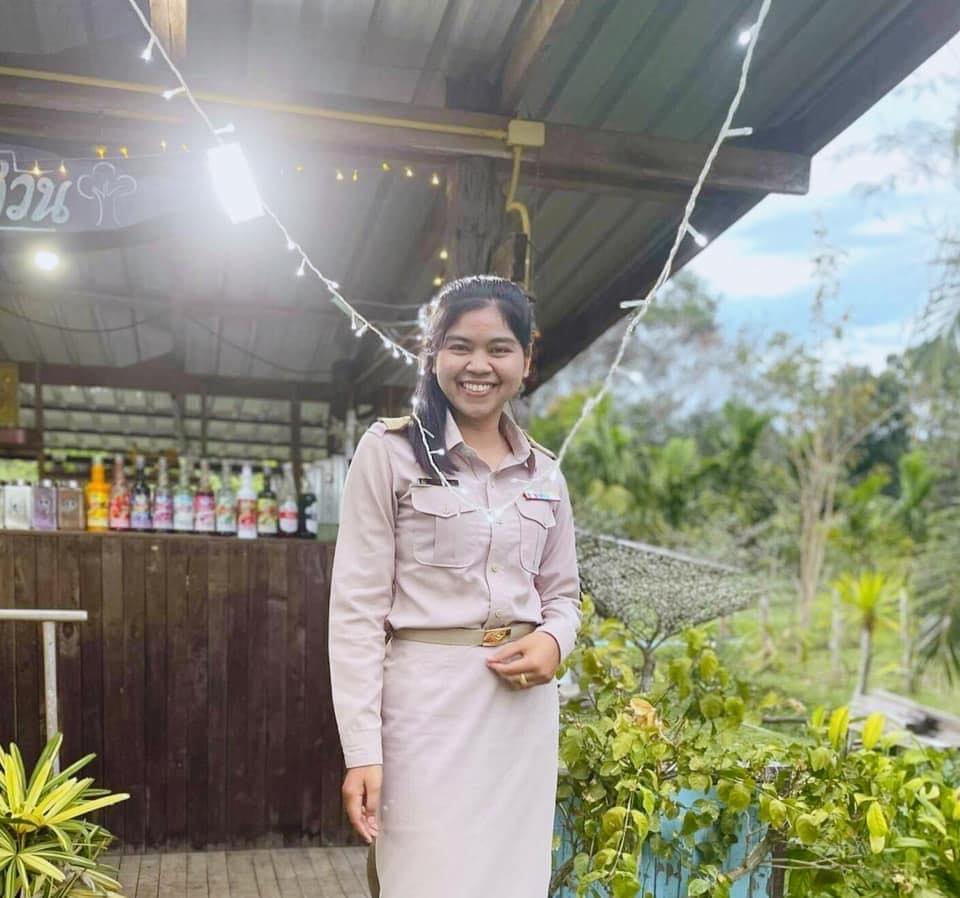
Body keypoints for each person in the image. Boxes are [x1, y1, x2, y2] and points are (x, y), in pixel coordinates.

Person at [328, 275, 582, 898]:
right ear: (433, 352)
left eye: (499, 349)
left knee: (512, 883)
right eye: (460, 346)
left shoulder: (546, 474)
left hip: (519, 718)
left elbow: (563, 596)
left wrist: (554, 641)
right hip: (424, 715)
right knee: (424, 880)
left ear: (526, 360)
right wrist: (363, 751)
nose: (478, 365)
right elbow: (356, 613)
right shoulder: (389, 452)